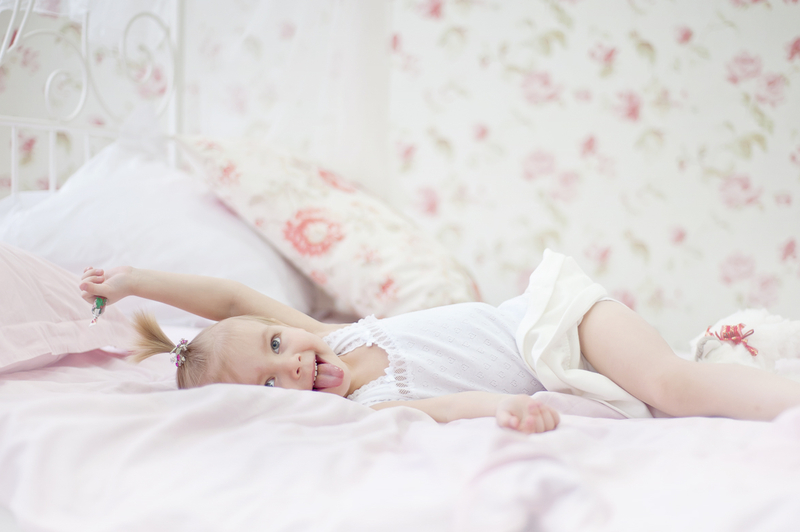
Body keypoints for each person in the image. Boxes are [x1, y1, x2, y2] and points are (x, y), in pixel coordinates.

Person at [78, 251, 800, 435]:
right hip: (563, 372)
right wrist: (505, 412)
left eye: (275, 343)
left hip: (552, 323)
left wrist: (139, 281)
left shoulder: (334, 333)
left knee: (670, 383)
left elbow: (232, 299)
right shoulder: (373, 411)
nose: (292, 364)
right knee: (670, 404)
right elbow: (456, 407)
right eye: (270, 385)